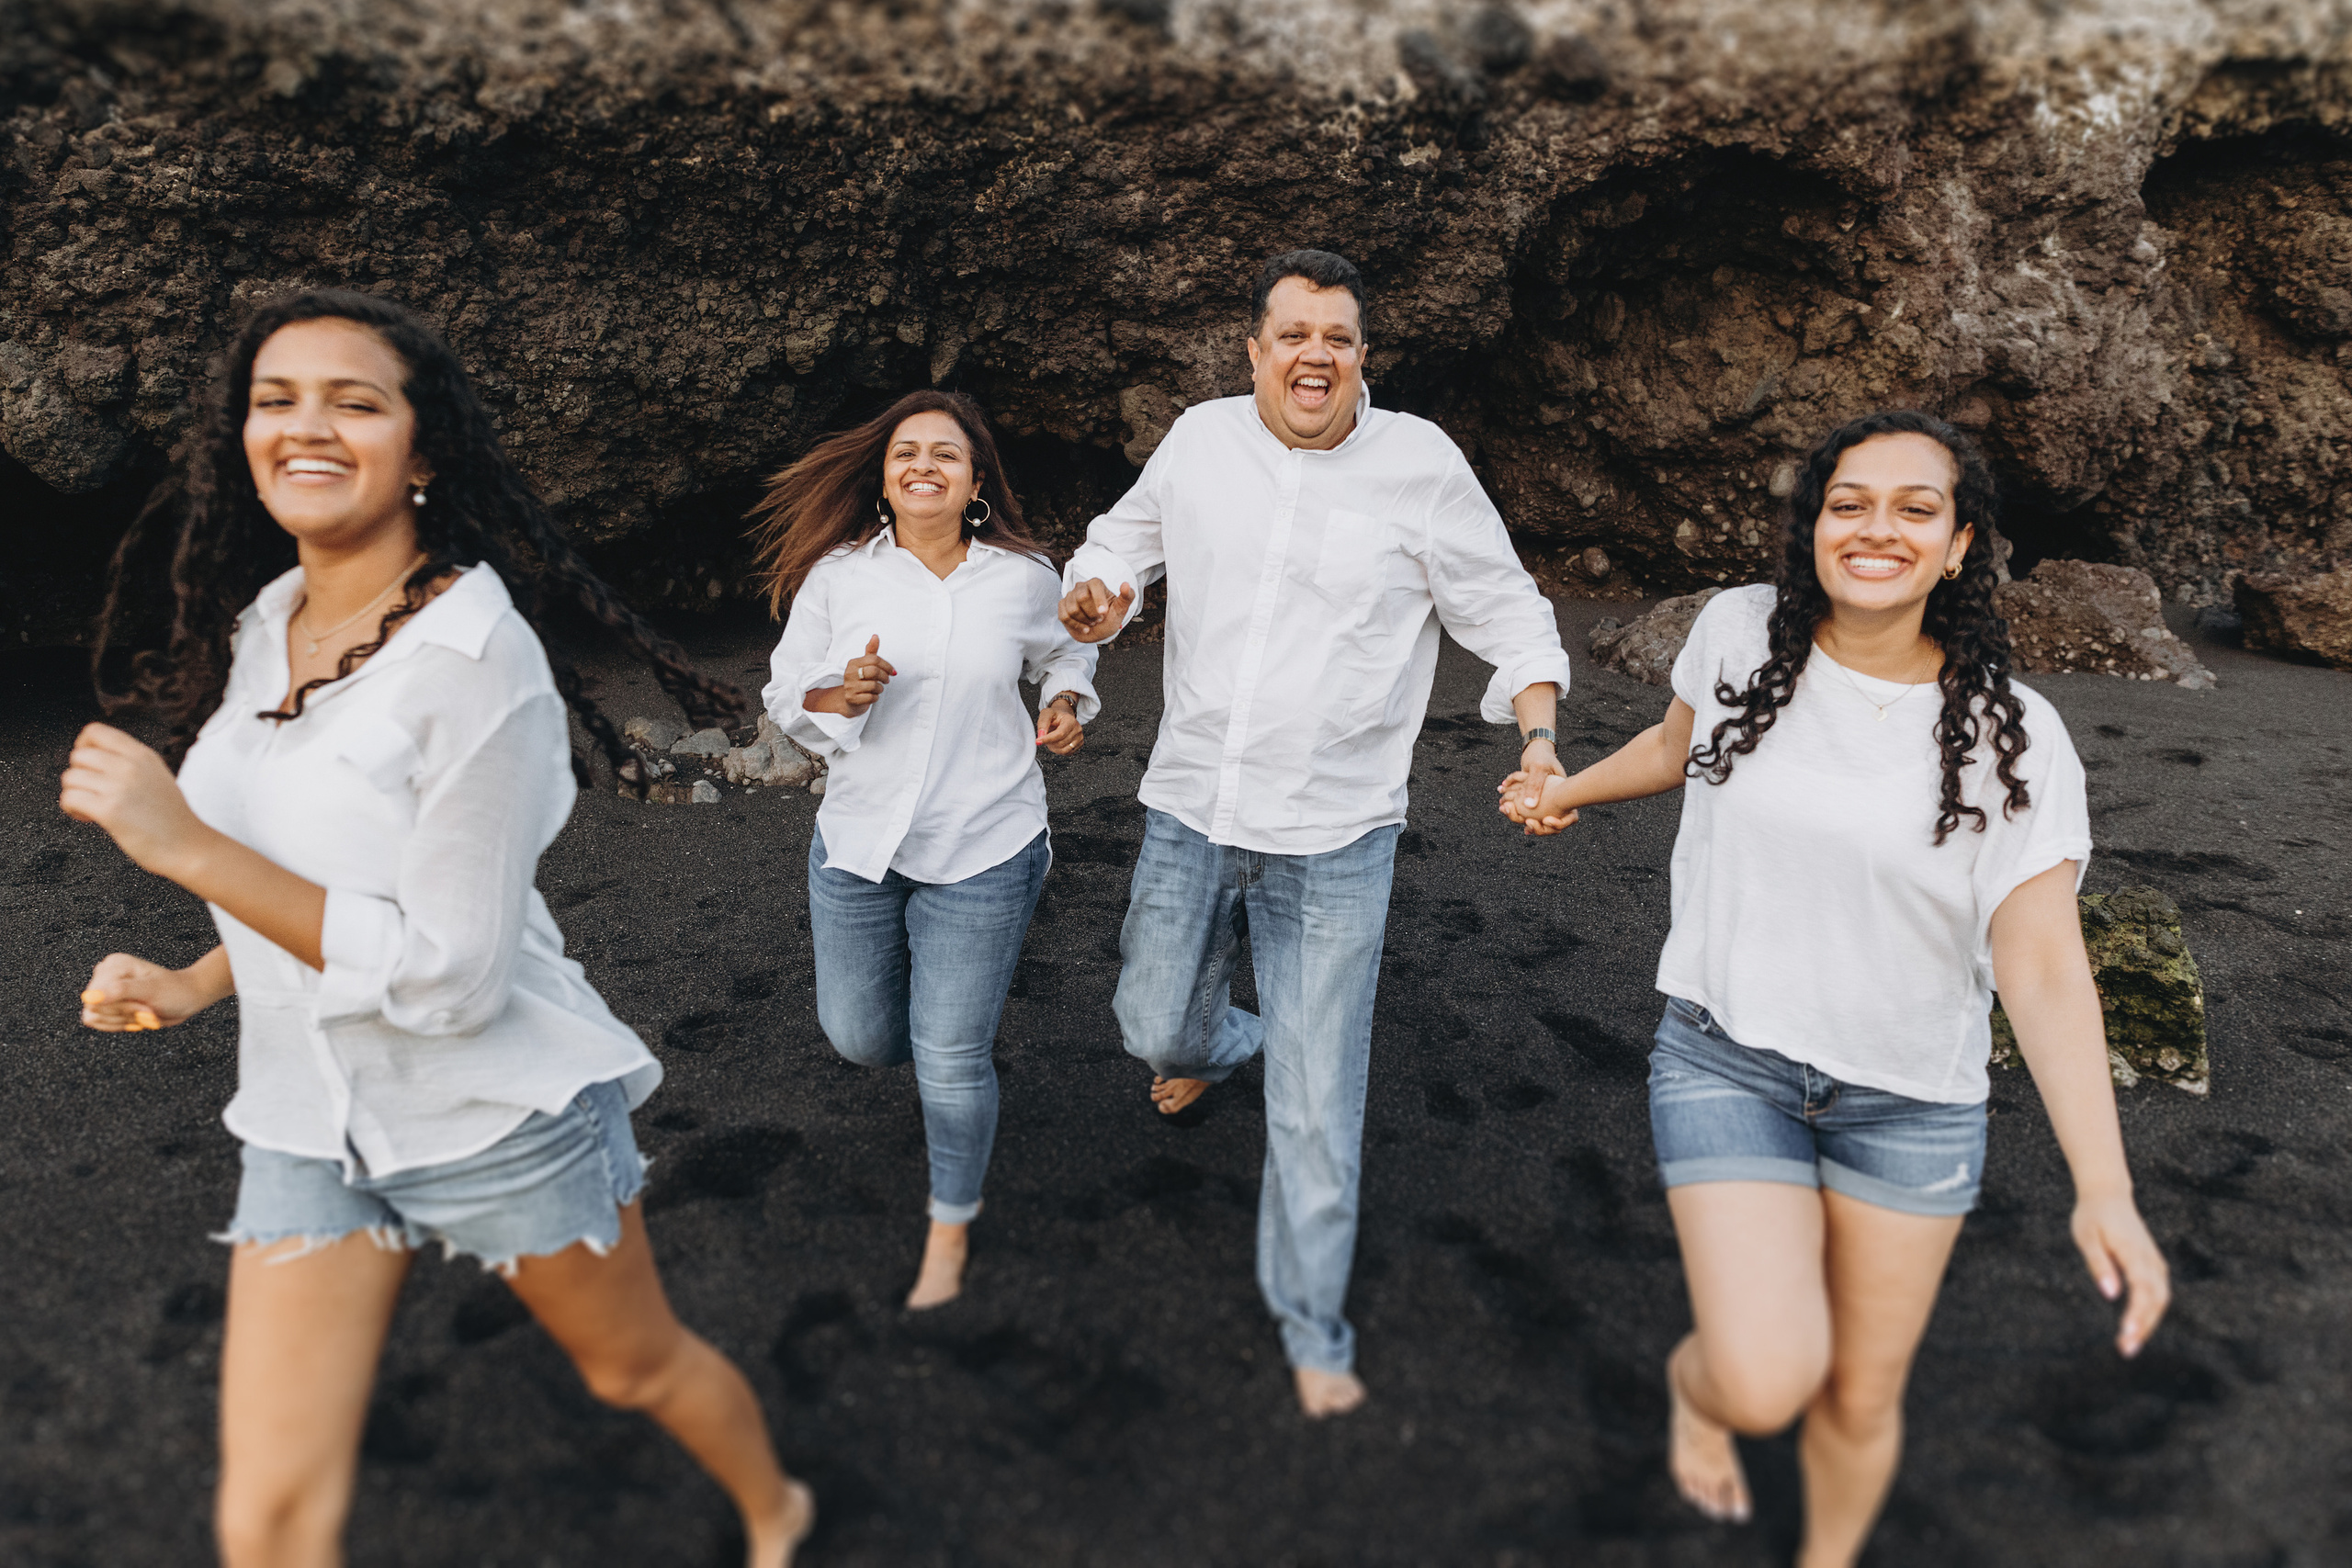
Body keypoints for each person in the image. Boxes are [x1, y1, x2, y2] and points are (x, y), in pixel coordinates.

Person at [62, 289, 813, 1568]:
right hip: (308, 1115)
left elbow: (452, 976)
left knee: (636, 1368)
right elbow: (314, 873)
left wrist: (182, 846)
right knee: (266, 1516)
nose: (307, 425)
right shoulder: (264, 627)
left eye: (355, 401)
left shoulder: (477, 658)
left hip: (491, 1117)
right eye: (276, 399)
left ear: (425, 450)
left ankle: (775, 1507)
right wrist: (199, 977)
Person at [1499, 411, 2171, 1565]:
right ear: (1813, 524)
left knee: (1859, 1398)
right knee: (1765, 1381)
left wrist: (2101, 1188)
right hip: (1729, 1057)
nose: (1876, 529)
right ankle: (1700, 1396)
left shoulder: (2017, 739)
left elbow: (2044, 962)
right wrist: (1567, 795)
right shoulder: (1736, 631)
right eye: (1847, 502)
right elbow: (1676, 748)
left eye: (1917, 508)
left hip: (1911, 1100)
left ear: (1959, 545)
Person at [1057, 249, 1575, 1417]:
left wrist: (1537, 741)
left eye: (1337, 337)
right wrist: (1097, 595)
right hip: (1195, 803)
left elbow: (1510, 613)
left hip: (1339, 834)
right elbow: (1115, 547)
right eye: (1292, 334)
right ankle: (1218, 1047)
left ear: (1360, 356)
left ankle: (1313, 1325)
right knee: (1153, 1027)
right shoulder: (1199, 441)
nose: (1315, 355)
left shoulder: (1420, 465)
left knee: (1317, 1095)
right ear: (1253, 351)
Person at [751, 389, 1097, 1311]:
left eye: (946, 454)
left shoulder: (1023, 577)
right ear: (884, 478)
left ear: (976, 482)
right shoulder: (838, 578)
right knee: (863, 1039)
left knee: (947, 1059)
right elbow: (786, 691)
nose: (923, 466)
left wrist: (1065, 702)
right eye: (907, 452)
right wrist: (839, 693)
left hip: (986, 842)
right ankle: (953, 1024)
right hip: (860, 843)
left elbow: (1066, 651)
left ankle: (950, 1220)